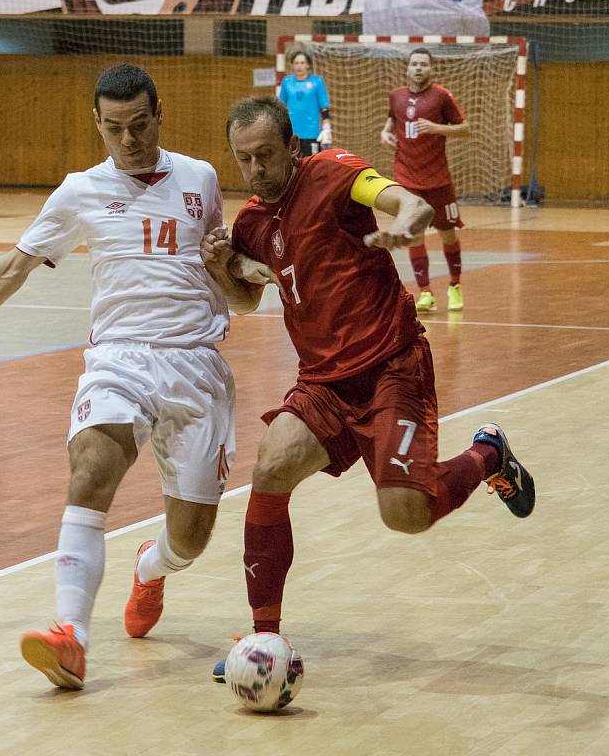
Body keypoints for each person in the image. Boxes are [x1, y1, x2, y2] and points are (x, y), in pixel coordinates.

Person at [0, 63, 236, 690]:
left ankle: (152, 568)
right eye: (114, 129)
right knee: (90, 469)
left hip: (196, 366)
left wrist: (241, 276)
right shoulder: (80, 190)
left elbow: (224, 273)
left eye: (139, 125)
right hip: (119, 358)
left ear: (159, 115)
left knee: (190, 539)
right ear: (97, 124)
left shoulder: (201, 178)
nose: (128, 140)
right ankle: (71, 637)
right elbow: (10, 269)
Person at [202, 96, 535, 679]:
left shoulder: (334, 173)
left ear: (293, 148)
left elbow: (402, 201)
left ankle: (489, 454)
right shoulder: (252, 222)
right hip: (323, 383)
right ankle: (264, 643)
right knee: (271, 465)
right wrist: (220, 267)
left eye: (265, 155)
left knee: (406, 514)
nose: (254, 170)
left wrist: (407, 222)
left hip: (391, 367)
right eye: (243, 159)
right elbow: (246, 298)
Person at [381, 48, 470, 313]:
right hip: (408, 177)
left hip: (438, 179)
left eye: (423, 64)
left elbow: (466, 129)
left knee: (448, 234)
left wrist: (437, 128)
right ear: (407, 68)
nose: (419, 68)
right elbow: (390, 122)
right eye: (414, 64)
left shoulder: (441, 97)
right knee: (414, 235)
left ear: (430, 68)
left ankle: (454, 285)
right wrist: (385, 134)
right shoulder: (396, 96)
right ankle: (425, 293)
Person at [278, 50, 332, 157]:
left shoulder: (317, 82)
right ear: (292, 65)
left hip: (312, 134)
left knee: (312, 168)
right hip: (291, 134)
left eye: (302, 63)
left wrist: (327, 128)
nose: (299, 66)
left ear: (308, 65)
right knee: (292, 168)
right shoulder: (287, 82)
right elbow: (280, 106)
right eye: (296, 63)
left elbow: (324, 108)